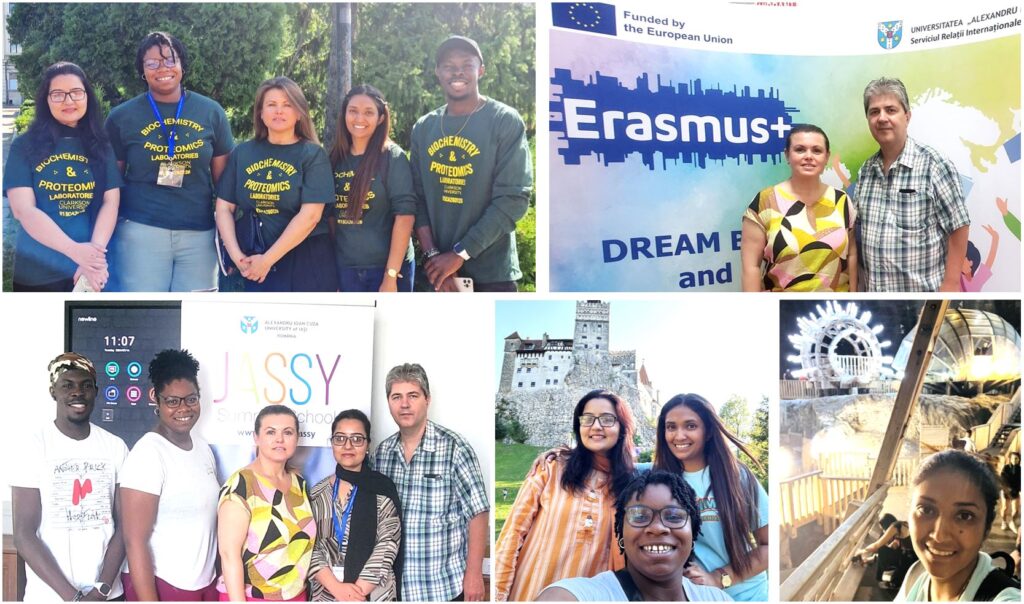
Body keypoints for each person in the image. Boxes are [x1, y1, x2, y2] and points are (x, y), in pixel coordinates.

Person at [105, 31, 234, 291]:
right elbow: (111, 184)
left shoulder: (211, 112)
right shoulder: (121, 117)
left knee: (196, 318)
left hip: (199, 234)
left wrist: (230, 238)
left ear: (182, 65)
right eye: (151, 63)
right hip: (141, 231)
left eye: (169, 60)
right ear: (142, 71)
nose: (161, 68)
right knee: (146, 318)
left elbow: (225, 184)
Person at [410, 35, 533, 292]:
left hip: (490, 275)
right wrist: (433, 256)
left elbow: (513, 199)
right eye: (448, 65)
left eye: (467, 64)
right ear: (437, 72)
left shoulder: (504, 121)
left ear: (481, 70)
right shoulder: (424, 127)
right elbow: (415, 198)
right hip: (435, 275)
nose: (458, 72)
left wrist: (458, 254)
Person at [495, 389, 636, 601]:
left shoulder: (630, 487)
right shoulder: (552, 468)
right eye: (588, 419)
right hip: (529, 593)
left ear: (622, 428)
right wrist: (498, 595)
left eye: (607, 419)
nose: (596, 426)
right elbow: (512, 535)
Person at [11, 353, 129, 601]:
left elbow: (125, 525)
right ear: (53, 391)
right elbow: (24, 534)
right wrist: (73, 597)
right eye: (68, 385)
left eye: (86, 386)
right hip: (50, 596)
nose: (78, 392)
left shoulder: (116, 447)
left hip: (107, 594)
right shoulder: (33, 447)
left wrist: (102, 590)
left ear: (96, 391)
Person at [373, 363, 490, 601]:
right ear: (389, 402)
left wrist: (475, 574)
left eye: (412, 396)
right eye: (397, 397)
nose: (404, 404)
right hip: (393, 589)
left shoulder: (455, 448)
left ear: (427, 399)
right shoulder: (381, 453)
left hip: (441, 587)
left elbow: (478, 513)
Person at [4, 62, 121, 291]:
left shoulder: (101, 145)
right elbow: (23, 210)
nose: (69, 101)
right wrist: (76, 252)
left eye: (76, 92)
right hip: (37, 271)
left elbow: (111, 203)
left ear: (87, 96)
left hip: (89, 271)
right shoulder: (24, 146)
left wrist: (92, 260)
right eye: (58, 94)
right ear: (46, 101)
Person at [215, 76, 337, 292]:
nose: (279, 111)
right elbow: (224, 208)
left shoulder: (313, 155)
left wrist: (267, 260)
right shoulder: (242, 153)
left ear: (299, 113)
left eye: (287, 105)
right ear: (260, 113)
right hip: (255, 262)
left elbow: (310, 216)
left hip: (305, 262)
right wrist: (238, 257)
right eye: (271, 105)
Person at [536, 470, 732, 602]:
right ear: (621, 533)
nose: (657, 528)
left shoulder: (716, 599)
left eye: (673, 516)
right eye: (639, 516)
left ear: (693, 532)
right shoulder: (586, 595)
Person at [120, 349, 219, 601]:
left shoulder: (203, 448)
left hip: (202, 585)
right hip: (160, 587)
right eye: (173, 401)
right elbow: (134, 541)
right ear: (157, 399)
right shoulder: (148, 454)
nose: (183, 409)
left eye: (191, 399)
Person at [855, 76, 970, 292]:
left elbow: (958, 226)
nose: (882, 118)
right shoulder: (865, 172)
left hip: (922, 297)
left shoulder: (934, 164)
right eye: (874, 111)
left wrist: (951, 284)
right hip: (876, 296)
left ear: (907, 116)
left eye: (891, 110)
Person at [652, 394, 768, 601]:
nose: (679, 436)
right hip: (695, 595)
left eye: (690, 426)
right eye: (671, 427)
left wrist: (719, 577)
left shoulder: (736, 477)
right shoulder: (658, 481)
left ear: (707, 432)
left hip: (745, 594)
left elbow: (769, 545)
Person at [217, 405, 317, 601]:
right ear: (256, 437)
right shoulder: (241, 485)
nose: (279, 439)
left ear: (297, 438)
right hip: (252, 597)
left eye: (287, 432)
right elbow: (229, 556)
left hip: (296, 594)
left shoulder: (299, 483)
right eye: (270, 432)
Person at [741, 124, 857, 292]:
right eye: (800, 150)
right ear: (787, 154)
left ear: (826, 157)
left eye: (816, 150)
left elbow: (851, 254)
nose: (808, 156)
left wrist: (854, 296)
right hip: (783, 309)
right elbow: (751, 268)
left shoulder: (842, 201)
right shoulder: (764, 202)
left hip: (836, 307)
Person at [896, 450, 1021, 601]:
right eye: (926, 510)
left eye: (964, 516)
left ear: (986, 529)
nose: (939, 536)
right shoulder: (916, 574)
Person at [308, 409, 404, 601]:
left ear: (368, 444)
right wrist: (337, 589)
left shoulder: (382, 488)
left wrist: (355, 594)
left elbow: (388, 544)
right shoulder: (317, 493)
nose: (348, 446)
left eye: (357, 439)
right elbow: (309, 546)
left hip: (372, 593)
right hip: (327, 592)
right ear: (332, 443)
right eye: (340, 438)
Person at [329, 85, 417, 292]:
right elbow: (330, 218)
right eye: (353, 111)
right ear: (344, 114)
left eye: (369, 112)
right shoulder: (335, 159)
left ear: (380, 118)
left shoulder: (393, 157)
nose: (359, 118)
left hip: (388, 270)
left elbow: (405, 217)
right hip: (346, 270)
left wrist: (391, 275)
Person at [853, 513, 918, 589]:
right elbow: (893, 548)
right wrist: (869, 559)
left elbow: (876, 546)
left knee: (882, 549)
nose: (883, 531)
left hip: (910, 560)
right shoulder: (903, 525)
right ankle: (868, 561)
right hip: (914, 557)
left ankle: (888, 580)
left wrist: (861, 551)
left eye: (883, 528)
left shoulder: (894, 527)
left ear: (886, 525)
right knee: (886, 550)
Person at [960, 225, 999, 292]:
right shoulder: (956, 274)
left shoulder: (978, 280)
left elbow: (990, 259)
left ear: (970, 262)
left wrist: (995, 238)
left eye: (962, 259)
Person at [1000, 452, 1020, 533]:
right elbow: (1003, 479)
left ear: (1019, 460)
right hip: (1006, 491)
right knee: (1005, 508)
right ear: (1010, 459)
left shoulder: (1020, 469)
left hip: (1016, 491)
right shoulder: (1006, 468)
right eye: (1013, 458)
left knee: (1016, 510)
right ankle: (1004, 522)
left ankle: (1012, 522)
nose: (1014, 460)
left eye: (1016, 458)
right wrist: (1008, 488)